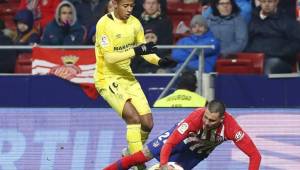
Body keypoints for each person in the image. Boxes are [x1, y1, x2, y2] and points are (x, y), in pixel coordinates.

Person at [93, 0, 177, 167]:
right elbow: (110, 58)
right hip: (107, 78)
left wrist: (160, 62)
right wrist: (137, 51)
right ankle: (140, 165)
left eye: (132, 6)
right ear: (115, 4)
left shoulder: (135, 23)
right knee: (133, 118)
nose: (129, 9)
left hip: (127, 77)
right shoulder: (104, 23)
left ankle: (131, 152)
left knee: (148, 123)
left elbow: (144, 51)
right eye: (125, 6)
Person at [104, 100, 261, 170]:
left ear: (222, 119)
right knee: (140, 157)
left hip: (196, 152)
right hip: (177, 138)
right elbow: (170, 143)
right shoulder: (195, 117)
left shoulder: (232, 129)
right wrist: (164, 164)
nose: (206, 122)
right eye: (206, 117)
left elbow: (255, 156)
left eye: (212, 120)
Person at [245, 0, 300, 74]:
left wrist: (280, 53)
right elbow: (246, 40)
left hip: (278, 59)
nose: (266, 4)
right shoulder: (253, 20)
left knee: (270, 65)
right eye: (263, 2)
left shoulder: (287, 21)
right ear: (260, 3)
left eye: (270, 1)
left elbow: (297, 42)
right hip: (255, 58)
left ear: (276, 2)